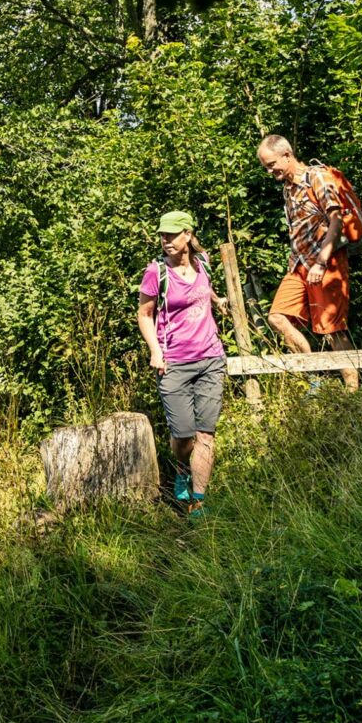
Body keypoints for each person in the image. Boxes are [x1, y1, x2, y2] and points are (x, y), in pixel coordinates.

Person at [136, 210, 226, 519]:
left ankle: (198, 502)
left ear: (187, 234)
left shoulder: (203, 264)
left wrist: (216, 301)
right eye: (162, 235)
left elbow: (203, 289)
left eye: (172, 234)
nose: (166, 240)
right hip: (173, 363)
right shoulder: (156, 272)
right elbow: (145, 314)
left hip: (211, 358)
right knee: (183, 435)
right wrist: (155, 351)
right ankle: (180, 467)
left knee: (205, 434)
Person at [257, 134, 360, 391]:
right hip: (299, 263)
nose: (270, 171)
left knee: (333, 329)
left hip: (327, 262)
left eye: (272, 164)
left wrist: (322, 262)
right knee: (278, 318)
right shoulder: (287, 187)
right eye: (265, 167)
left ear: (287, 156)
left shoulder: (317, 177)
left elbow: (335, 220)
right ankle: (314, 378)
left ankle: (353, 392)